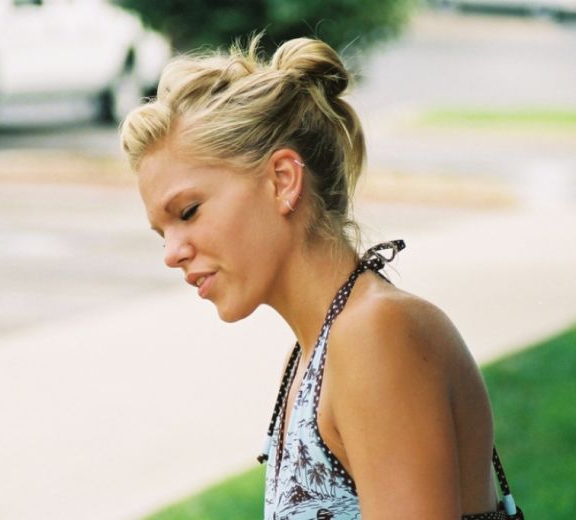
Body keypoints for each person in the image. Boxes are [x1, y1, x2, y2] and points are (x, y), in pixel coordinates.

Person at [120, 36, 522, 520]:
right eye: (161, 232)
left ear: (283, 180)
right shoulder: (318, 349)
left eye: (188, 211)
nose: (171, 253)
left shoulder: (377, 334)